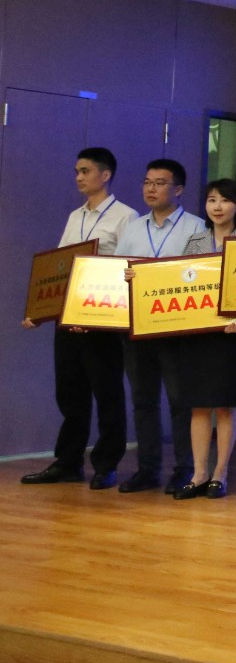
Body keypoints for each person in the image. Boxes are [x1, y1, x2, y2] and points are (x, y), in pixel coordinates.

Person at [20, 147, 140, 490]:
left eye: (85, 171)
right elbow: (61, 268)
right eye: (76, 171)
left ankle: (106, 464)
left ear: (105, 174)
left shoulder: (126, 216)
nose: (78, 177)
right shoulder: (76, 216)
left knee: (107, 392)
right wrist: (41, 311)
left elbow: (127, 268)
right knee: (70, 393)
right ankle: (68, 461)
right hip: (68, 318)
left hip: (102, 318)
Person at [114, 158, 208, 494]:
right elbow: (117, 270)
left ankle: (184, 469)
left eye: (159, 183)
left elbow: (199, 274)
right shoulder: (133, 227)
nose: (151, 189)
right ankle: (147, 469)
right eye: (147, 182)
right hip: (137, 326)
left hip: (176, 327)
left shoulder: (197, 227)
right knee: (143, 400)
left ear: (178, 189)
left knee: (181, 400)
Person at [171, 179, 236, 500]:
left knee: (225, 406)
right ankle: (199, 473)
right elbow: (180, 283)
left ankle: (221, 473)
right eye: (211, 200)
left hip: (230, 336)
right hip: (197, 335)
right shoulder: (194, 241)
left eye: (225, 200)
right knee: (199, 406)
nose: (217, 207)